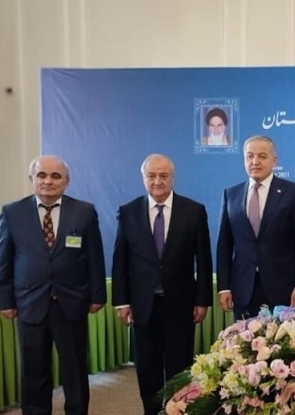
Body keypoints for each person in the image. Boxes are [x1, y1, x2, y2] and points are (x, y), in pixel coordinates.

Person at [0, 155, 106, 415]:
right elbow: (3, 260)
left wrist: (97, 295)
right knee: (34, 371)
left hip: (71, 303)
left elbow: (95, 257)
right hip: (30, 304)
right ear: (32, 178)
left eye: (56, 176)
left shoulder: (84, 211)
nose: (48, 181)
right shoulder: (12, 212)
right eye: (41, 175)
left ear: (66, 181)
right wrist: (5, 300)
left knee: (75, 370)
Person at [111, 154, 213, 415]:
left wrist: (202, 300)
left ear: (172, 178)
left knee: (181, 368)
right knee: (147, 368)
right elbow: (120, 260)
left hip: (181, 303)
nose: (157, 181)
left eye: (163, 176)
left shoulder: (194, 211)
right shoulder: (128, 212)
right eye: (152, 176)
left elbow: (203, 260)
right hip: (143, 305)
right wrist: (121, 301)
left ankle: (179, 411)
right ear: (143, 178)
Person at [216, 135, 295, 319]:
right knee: (243, 338)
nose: (255, 161)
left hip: (283, 290)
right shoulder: (231, 194)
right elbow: (224, 246)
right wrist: (224, 287)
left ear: (274, 160)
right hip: (243, 289)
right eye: (250, 156)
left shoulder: (293, 193)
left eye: (262, 156)